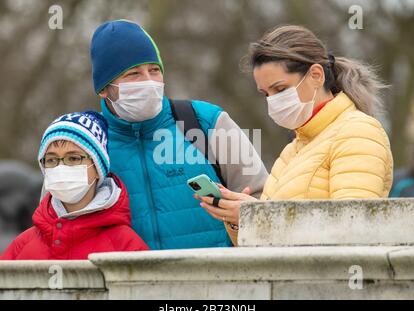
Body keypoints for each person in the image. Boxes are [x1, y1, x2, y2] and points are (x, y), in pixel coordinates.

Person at [89, 20, 268, 249]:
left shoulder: (206, 121)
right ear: (104, 88)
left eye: (154, 70)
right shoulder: (87, 141)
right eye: (133, 74)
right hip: (125, 283)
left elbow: (264, 203)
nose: (149, 82)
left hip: (216, 281)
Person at [197, 25, 394, 232]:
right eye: (266, 94)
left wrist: (260, 216)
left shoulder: (358, 131)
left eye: (280, 89)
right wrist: (242, 220)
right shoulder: (292, 150)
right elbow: (269, 244)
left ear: (316, 75)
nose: (272, 101)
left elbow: (352, 226)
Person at [1, 111, 148, 260]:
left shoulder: (126, 246)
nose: (61, 167)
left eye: (73, 158)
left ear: (98, 168)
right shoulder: (21, 247)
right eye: (51, 160)